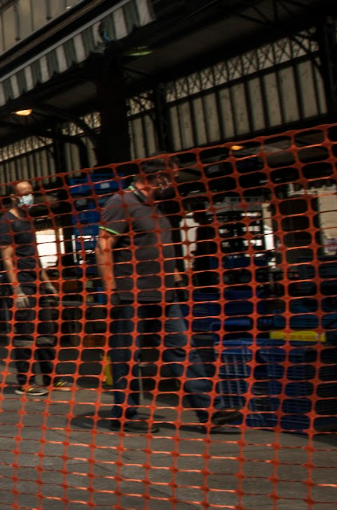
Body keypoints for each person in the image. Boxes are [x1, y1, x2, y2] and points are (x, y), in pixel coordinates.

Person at [95, 159, 243, 434]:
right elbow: (103, 243)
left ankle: (211, 412)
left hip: (164, 295)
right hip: (132, 296)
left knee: (184, 351)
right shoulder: (121, 202)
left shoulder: (157, 209)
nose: (172, 184)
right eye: (169, 178)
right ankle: (125, 416)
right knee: (127, 356)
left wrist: (177, 280)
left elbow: (163, 248)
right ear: (152, 177)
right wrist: (111, 289)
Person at [0, 180, 61, 396]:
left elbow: (34, 256)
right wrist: (17, 289)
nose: (28, 197)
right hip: (23, 286)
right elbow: (8, 258)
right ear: (14, 197)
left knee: (46, 334)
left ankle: (51, 378)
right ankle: (25, 382)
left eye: (30, 193)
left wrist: (47, 282)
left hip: (37, 284)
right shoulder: (6, 222)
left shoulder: (28, 220)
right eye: (24, 194)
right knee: (25, 336)